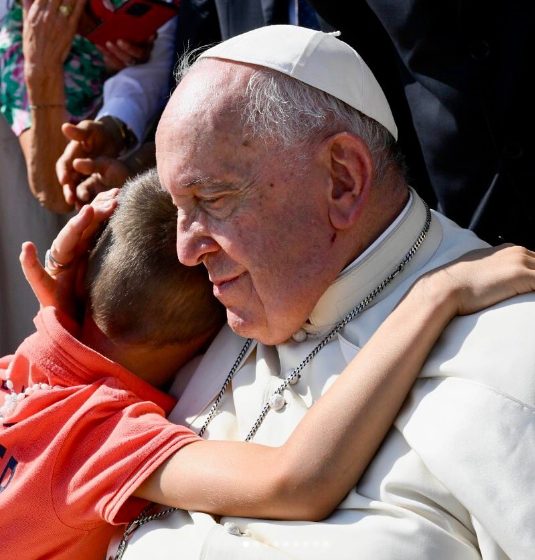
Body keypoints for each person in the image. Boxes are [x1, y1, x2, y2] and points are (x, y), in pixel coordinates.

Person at [22, 26, 535, 560]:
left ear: (342, 179)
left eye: (213, 198)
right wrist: (73, 315)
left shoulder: (512, 356)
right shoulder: (204, 308)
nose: (185, 251)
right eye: (178, 206)